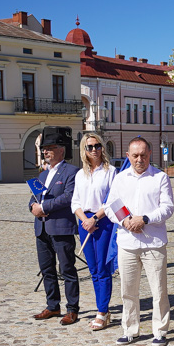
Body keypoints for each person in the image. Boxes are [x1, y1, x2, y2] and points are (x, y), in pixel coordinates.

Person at [104, 137, 174, 346]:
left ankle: (160, 331)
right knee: (128, 290)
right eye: (135, 155)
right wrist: (125, 220)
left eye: (143, 155)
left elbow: (167, 208)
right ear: (128, 156)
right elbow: (110, 206)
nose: (139, 159)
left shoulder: (160, 177)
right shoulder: (120, 178)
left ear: (149, 154)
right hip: (127, 241)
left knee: (159, 290)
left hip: (153, 241)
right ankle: (130, 329)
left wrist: (144, 218)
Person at [30, 131, 81, 325]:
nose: (45, 152)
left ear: (61, 150)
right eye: (44, 149)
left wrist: (44, 207)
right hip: (41, 229)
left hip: (61, 228)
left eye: (50, 149)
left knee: (67, 269)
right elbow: (33, 197)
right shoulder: (42, 174)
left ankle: (72, 309)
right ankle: (53, 306)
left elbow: (68, 197)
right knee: (47, 270)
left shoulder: (72, 171)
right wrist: (32, 208)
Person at [71, 133, 116, 330]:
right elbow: (75, 202)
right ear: (84, 150)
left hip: (103, 222)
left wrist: (95, 218)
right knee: (92, 269)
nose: (94, 149)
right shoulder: (80, 174)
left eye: (97, 145)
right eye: (90, 147)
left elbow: (113, 201)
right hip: (85, 223)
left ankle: (102, 311)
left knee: (103, 268)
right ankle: (103, 310)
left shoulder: (111, 172)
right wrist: (85, 220)